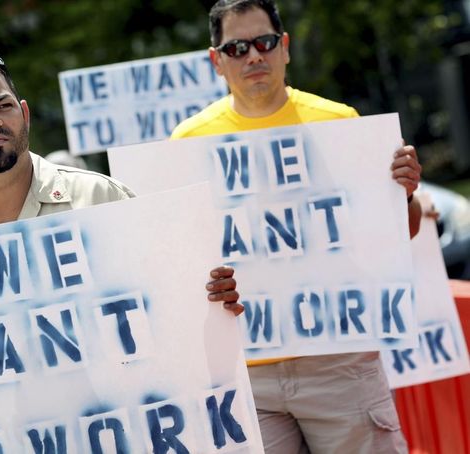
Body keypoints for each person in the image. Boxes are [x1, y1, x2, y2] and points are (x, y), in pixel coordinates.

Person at [0, 53, 242, 396]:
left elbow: (171, 300)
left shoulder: (101, 198)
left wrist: (208, 296)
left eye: (3, 105)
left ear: (24, 115)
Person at [171, 1, 422, 452]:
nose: (253, 56)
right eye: (237, 47)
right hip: (244, 368)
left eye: (264, 43)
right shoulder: (187, 144)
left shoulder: (339, 122)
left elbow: (400, 233)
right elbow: (176, 257)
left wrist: (401, 193)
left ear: (284, 48)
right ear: (216, 60)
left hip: (339, 360)